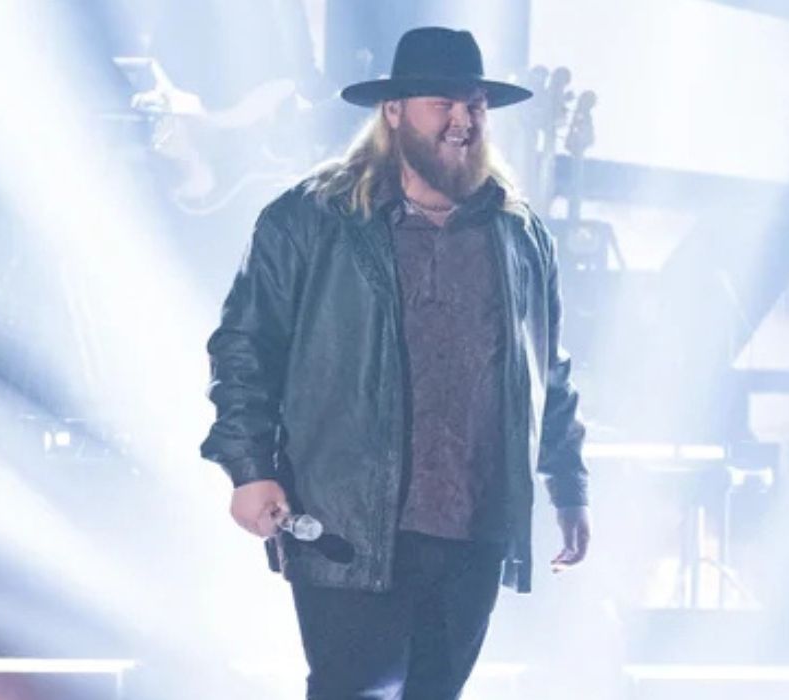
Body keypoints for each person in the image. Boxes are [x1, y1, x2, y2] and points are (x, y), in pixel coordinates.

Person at [200, 26, 591, 699]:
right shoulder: (313, 220)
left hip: (473, 526)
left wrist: (567, 483)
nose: (463, 122)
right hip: (349, 523)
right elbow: (245, 345)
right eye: (443, 103)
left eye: (475, 106)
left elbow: (543, 369)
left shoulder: (516, 232)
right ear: (394, 111)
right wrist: (249, 467)